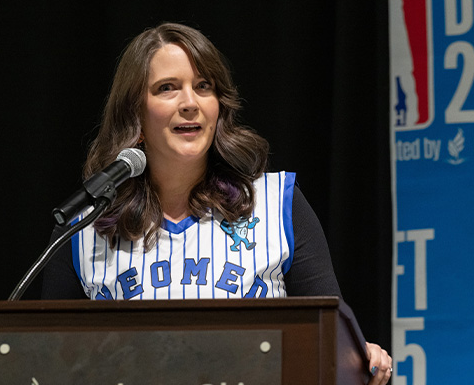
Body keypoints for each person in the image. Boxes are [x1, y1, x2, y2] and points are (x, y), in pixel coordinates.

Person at [40, 22, 392, 383]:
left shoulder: (277, 204)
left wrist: (363, 356)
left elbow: (332, 340)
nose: (190, 103)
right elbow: (43, 361)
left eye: (203, 86)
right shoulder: (84, 227)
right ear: (136, 116)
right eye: (167, 89)